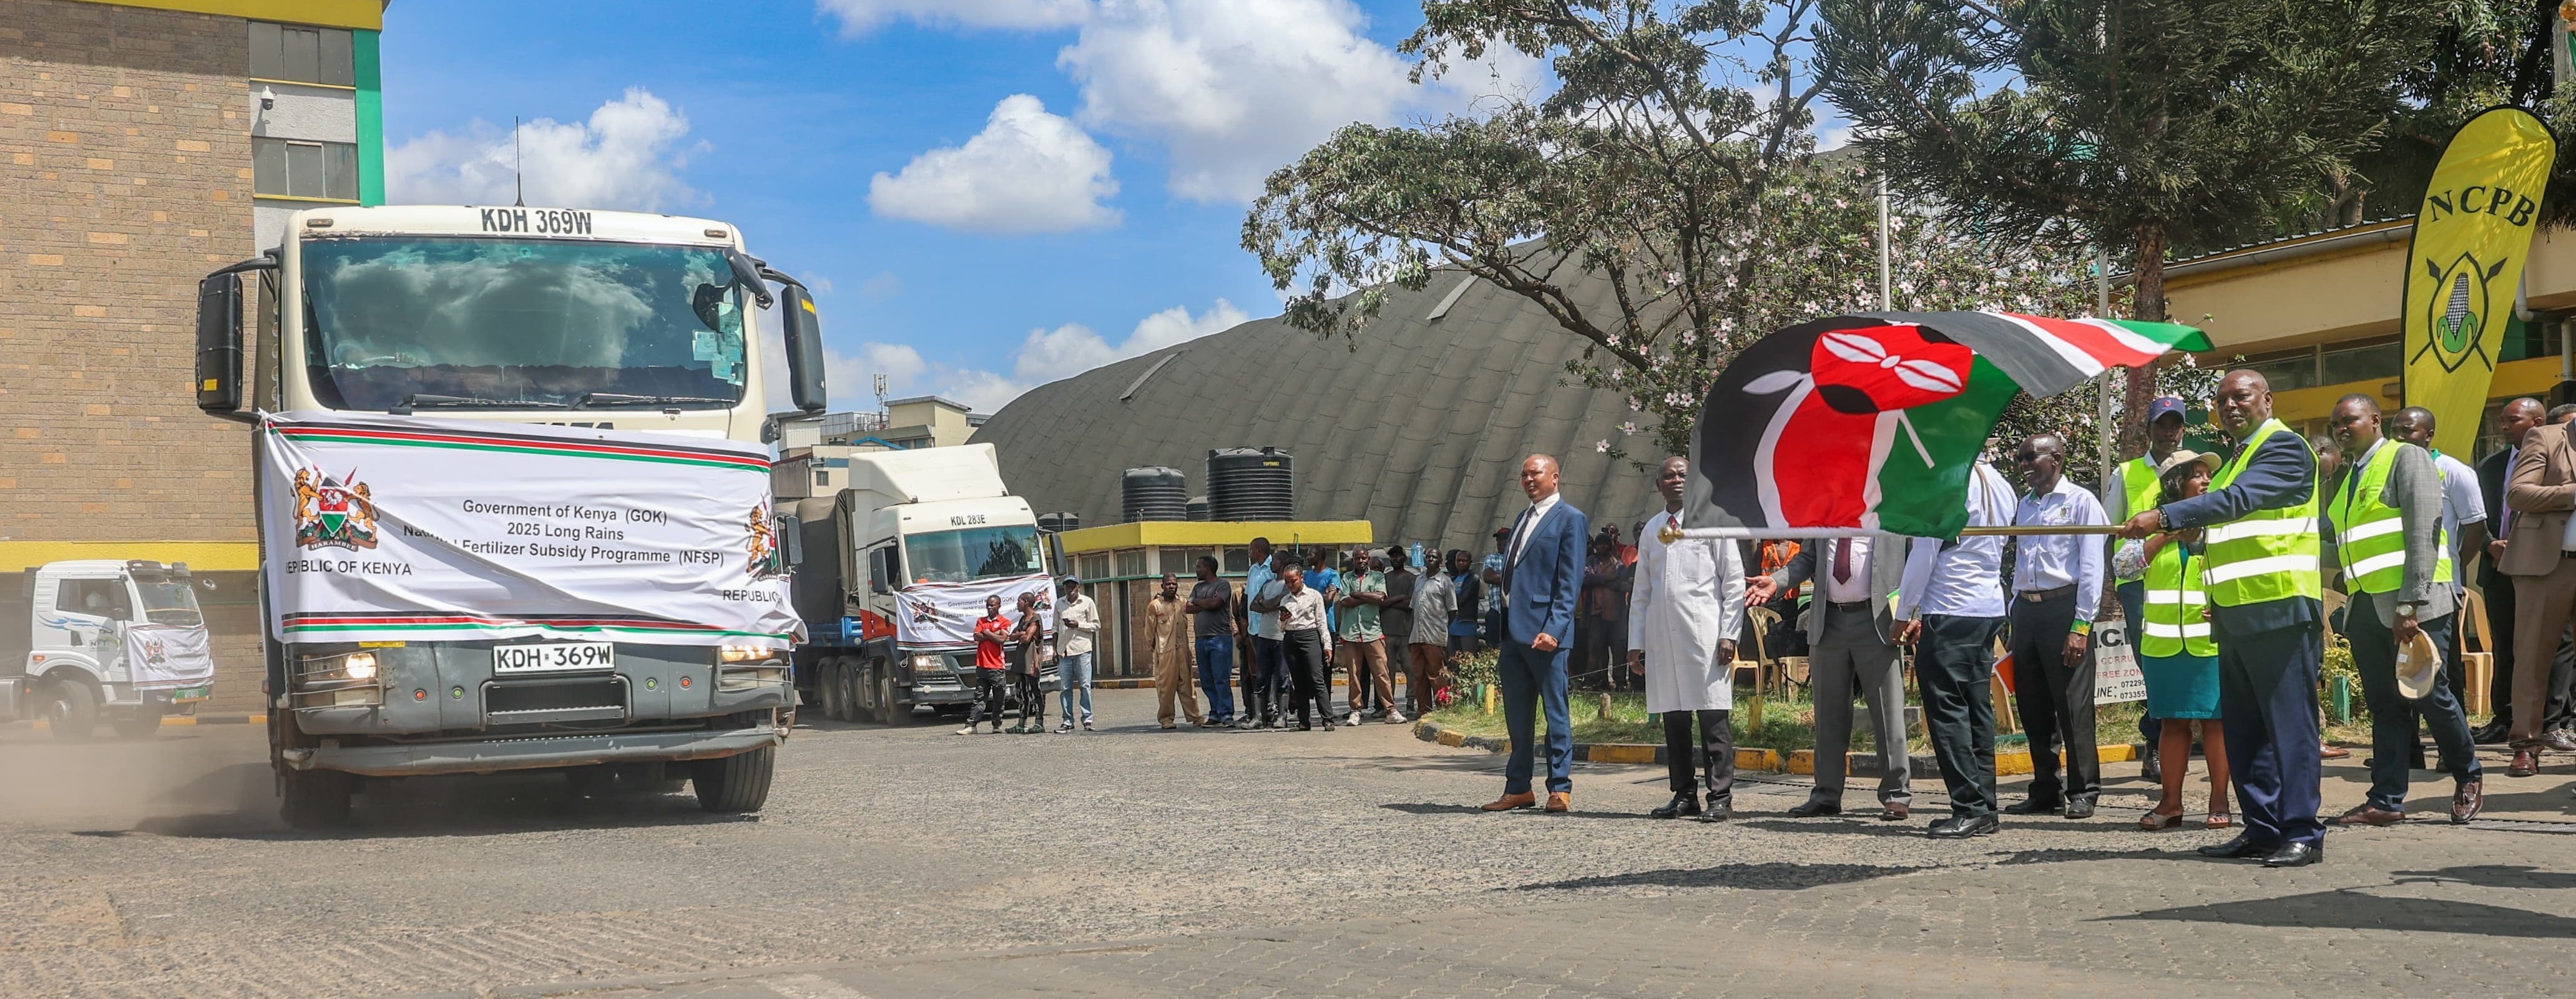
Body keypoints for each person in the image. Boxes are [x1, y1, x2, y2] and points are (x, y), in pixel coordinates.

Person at [2119, 369, 2328, 868]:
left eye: (2241, 396)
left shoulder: (2284, 447)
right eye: (2221, 400)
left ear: (2267, 399)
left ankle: (2301, 830)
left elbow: (2236, 504)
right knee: (2244, 730)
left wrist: (2168, 515)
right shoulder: (2237, 459)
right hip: (2234, 614)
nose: (2230, 406)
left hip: (2279, 608)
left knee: (2289, 727)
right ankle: (2261, 827)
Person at [2319, 395, 2483, 825]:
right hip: (2366, 607)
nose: (2340, 428)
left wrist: (2409, 604)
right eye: (2335, 423)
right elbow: (2343, 542)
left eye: (2348, 420)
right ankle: (2386, 800)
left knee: (2430, 694)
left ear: (2374, 420)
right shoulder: (2349, 475)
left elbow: (2422, 533)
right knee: (2385, 703)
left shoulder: (2405, 457)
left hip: (2415, 605)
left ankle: (2468, 773)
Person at [1748, 524, 1912, 821]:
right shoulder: (1826, 512)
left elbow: (1918, 562)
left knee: (1888, 714)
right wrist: (1777, 581)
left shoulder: (1892, 508)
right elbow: (1807, 559)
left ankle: (1896, 795)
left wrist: (1914, 612)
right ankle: (1826, 794)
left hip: (1878, 620)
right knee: (1828, 715)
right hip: (1828, 621)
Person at [2113, 450, 2233, 830]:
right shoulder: (2150, 526)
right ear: (2176, 483)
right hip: (2163, 647)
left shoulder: (2221, 523)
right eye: (2197, 475)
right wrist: (2167, 532)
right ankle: (2171, 804)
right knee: (2171, 724)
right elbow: (2124, 566)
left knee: (2216, 724)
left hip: (2209, 645)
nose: (2205, 481)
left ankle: (2220, 801)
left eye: (2206, 475)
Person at [1898, 457, 2015, 837]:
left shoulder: (1948, 480)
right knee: (1976, 708)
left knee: (1948, 710)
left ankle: (1969, 805)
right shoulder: (1999, 481)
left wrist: (1904, 610)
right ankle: (1985, 805)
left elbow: (1926, 552)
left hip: (1950, 605)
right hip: (1987, 605)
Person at [1630, 457, 1746, 821]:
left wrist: (1730, 632)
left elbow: (1733, 581)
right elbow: (1642, 590)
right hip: (1664, 638)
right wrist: (1636, 643)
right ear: (1659, 485)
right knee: (1674, 719)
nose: (1676, 480)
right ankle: (1683, 795)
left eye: (1683, 474)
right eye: (1669, 476)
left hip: (1706, 636)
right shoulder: (1652, 529)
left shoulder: (1713, 521)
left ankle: (1720, 798)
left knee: (1713, 717)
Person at [2004, 432, 2109, 819]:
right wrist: (2015, 615)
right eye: (2020, 459)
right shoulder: (2025, 506)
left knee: (2072, 705)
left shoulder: (2081, 502)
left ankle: (2083, 791)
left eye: (2031, 457)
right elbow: (2021, 563)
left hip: (2064, 607)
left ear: (2057, 459)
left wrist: (2081, 625)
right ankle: (2044, 788)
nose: (2025, 465)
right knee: (2032, 703)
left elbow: (2092, 565)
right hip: (2028, 611)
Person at [1481, 454, 1588, 814]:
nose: (1528, 479)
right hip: (1512, 632)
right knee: (1517, 715)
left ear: (1555, 477)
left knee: (1555, 713)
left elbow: (1570, 582)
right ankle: (1518, 788)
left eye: (1535, 473)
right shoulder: (1522, 517)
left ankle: (1559, 788)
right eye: (1524, 474)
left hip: (1546, 634)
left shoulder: (1570, 519)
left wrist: (1555, 629)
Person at [2472, 399, 2576, 746]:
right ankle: (2526, 744)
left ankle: (2559, 729)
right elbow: (2517, 494)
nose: (2503, 426)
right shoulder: (2546, 439)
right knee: (2531, 658)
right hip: (2551, 564)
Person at [2107, 396, 2191, 781]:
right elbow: (2109, 530)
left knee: (2186, 660)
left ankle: (2173, 740)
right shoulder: (2126, 473)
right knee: (2151, 665)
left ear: (2184, 429)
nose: (2169, 432)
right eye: (2162, 425)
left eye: (2175, 425)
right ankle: (2155, 746)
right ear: (2149, 430)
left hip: (2186, 578)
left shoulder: (2195, 469)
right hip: (2140, 582)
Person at [2310, 431, 2354, 763]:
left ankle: (2313, 736)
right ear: (2322, 451)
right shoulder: (2301, 480)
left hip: (2304, 584)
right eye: (2332, 467)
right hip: (2297, 590)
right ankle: (2314, 737)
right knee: (2309, 667)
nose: (2331, 475)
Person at [1335, 552, 1400, 724]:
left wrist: (1357, 594)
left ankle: (1390, 710)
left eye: (1364, 558)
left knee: (1381, 672)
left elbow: (1380, 598)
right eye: (1358, 558)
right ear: (1354, 561)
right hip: (1351, 632)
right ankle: (1355, 710)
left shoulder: (1378, 577)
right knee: (1354, 674)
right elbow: (1345, 601)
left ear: (1368, 560)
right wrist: (1367, 597)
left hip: (1372, 632)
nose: (1361, 561)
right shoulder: (1346, 577)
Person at [1276, 563, 1336, 731]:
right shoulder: (1285, 599)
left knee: (1317, 679)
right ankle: (1304, 721)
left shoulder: (1314, 596)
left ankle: (1327, 719)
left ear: (1301, 578)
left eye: (1293, 581)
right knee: (1299, 681)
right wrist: (1282, 619)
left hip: (1309, 636)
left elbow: (1321, 622)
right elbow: (1280, 628)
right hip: (1290, 638)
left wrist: (1327, 645)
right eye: (1287, 582)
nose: (1290, 585)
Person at [1146, 572, 1202, 731]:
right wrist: (1156, 650)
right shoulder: (1155, 605)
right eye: (1169, 584)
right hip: (1165, 652)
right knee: (1166, 688)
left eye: (1174, 584)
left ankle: (1195, 717)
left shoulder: (1182, 603)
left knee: (1187, 686)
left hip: (1182, 650)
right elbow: (1149, 632)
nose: (1172, 587)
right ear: (1162, 586)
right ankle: (1166, 719)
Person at [1187, 555, 1237, 728]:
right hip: (1201, 640)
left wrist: (1199, 602)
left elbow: (1216, 603)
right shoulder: (1197, 587)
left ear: (1207, 568)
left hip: (1219, 639)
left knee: (1221, 678)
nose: (1196, 570)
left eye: (1198, 567)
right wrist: (1204, 604)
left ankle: (1226, 714)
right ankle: (1215, 712)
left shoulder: (1222, 585)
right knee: (1207, 680)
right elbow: (1187, 607)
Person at [1241, 538, 1285, 729]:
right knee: (1261, 672)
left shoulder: (1272, 571)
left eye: (1251, 550)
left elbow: (1275, 602)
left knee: (1279, 673)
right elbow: (1251, 601)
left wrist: (1265, 605)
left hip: (1272, 629)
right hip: (1254, 628)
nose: (1249, 554)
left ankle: (1276, 711)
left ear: (1258, 550)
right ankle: (1260, 715)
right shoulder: (1252, 570)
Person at [1409, 551, 1457, 716]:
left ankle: (1443, 708)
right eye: (1428, 557)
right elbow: (1413, 609)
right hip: (1417, 635)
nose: (1431, 559)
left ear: (1440, 560)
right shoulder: (1419, 580)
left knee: (1436, 674)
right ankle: (1424, 710)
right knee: (1419, 675)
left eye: (1435, 557)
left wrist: (1442, 629)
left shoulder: (1445, 582)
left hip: (1435, 636)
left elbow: (1452, 611)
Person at [1579, 532, 1627, 691]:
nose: (1602, 547)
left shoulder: (1618, 563)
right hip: (1595, 614)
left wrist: (1599, 580)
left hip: (1616, 615)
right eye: (1599, 544)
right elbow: (1586, 579)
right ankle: (1594, 681)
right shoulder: (1590, 562)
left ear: (1610, 546)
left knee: (1618, 649)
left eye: (1605, 544)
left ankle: (1620, 682)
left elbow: (1621, 584)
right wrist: (1608, 579)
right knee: (1595, 648)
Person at [960, 594, 1012, 736]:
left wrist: (987, 632)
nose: (990, 608)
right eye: (988, 605)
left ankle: (996, 725)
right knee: (979, 697)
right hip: (982, 665)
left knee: (999, 697)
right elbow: (977, 636)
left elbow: (1002, 640)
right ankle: (971, 725)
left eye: (993, 605)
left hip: (997, 667)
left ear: (999, 606)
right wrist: (992, 634)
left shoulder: (1004, 622)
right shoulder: (981, 620)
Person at [1054, 578, 1100, 733]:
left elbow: (1096, 625)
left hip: (1082, 651)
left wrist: (1078, 624)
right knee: (1065, 688)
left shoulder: (1087, 602)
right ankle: (1067, 720)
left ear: (1078, 587)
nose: (1071, 589)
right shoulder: (1059, 603)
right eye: (1068, 587)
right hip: (1064, 652)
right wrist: (1055, 650)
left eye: (1073, 586)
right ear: (1065, 588)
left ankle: (1087, 720)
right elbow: (1055, 628)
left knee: (1085, 686)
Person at [1379, 546, 1418, 719]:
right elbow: (1379, 603)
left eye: (1398, 556)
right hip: (1386, 631)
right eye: (1392, 557)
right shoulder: (1383, 579)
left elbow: (1410, 604)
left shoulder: (1412, 579)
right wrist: (1398, 599)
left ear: (1404, 558)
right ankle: (1389, 706)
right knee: (1387, 671)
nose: (1395, 559)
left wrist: (1389, 602)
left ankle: (1410, 703)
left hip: (1406, 631)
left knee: (1410, 669)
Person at [1008, 590, 1048, 734]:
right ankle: (1021, 723)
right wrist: (1020, 634)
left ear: (1026, 602)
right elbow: (1011, 637)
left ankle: (1039, 722)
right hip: (1020, 661)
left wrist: (1021, 635)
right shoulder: (1022, 620)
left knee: (1034, 691)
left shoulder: (1035, 619)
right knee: (1021, 693)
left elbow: (1027, 638)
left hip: (1031, 662)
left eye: (1019, 601)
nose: (1017, 604)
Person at [1446, 548, 1485, 658]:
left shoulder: (1473, 578)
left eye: (1464, 561)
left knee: (1468, 660)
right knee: (1454, 661)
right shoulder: (1453, 579)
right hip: (1452, 626)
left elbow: (1462, 598)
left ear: (1470, 562)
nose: (1461, 563)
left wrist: (1446, 602)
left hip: (1466, 625)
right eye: (1459, 560)